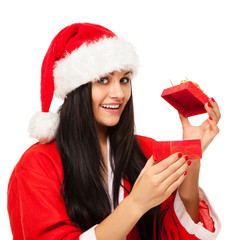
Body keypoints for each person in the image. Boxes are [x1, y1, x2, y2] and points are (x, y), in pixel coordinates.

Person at [7, 23, 221, 240]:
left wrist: (192, 156)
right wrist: (137, 202)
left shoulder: (146, 150)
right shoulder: (37, 164)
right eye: (103, 80)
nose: (119, 93)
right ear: (76, 88)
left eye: (124, 80)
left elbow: (175, 236)